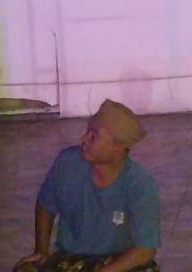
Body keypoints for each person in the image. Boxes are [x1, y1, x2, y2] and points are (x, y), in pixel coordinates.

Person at [15, 99, 161, 272]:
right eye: (87, 132)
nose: (83, 139)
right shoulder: (67, 163)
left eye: (93, 136)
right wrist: (41, 251)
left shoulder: (141, 185)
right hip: (71, 258)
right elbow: (45, 204)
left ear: (118, 146)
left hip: (118, 261)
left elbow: (145, 250)